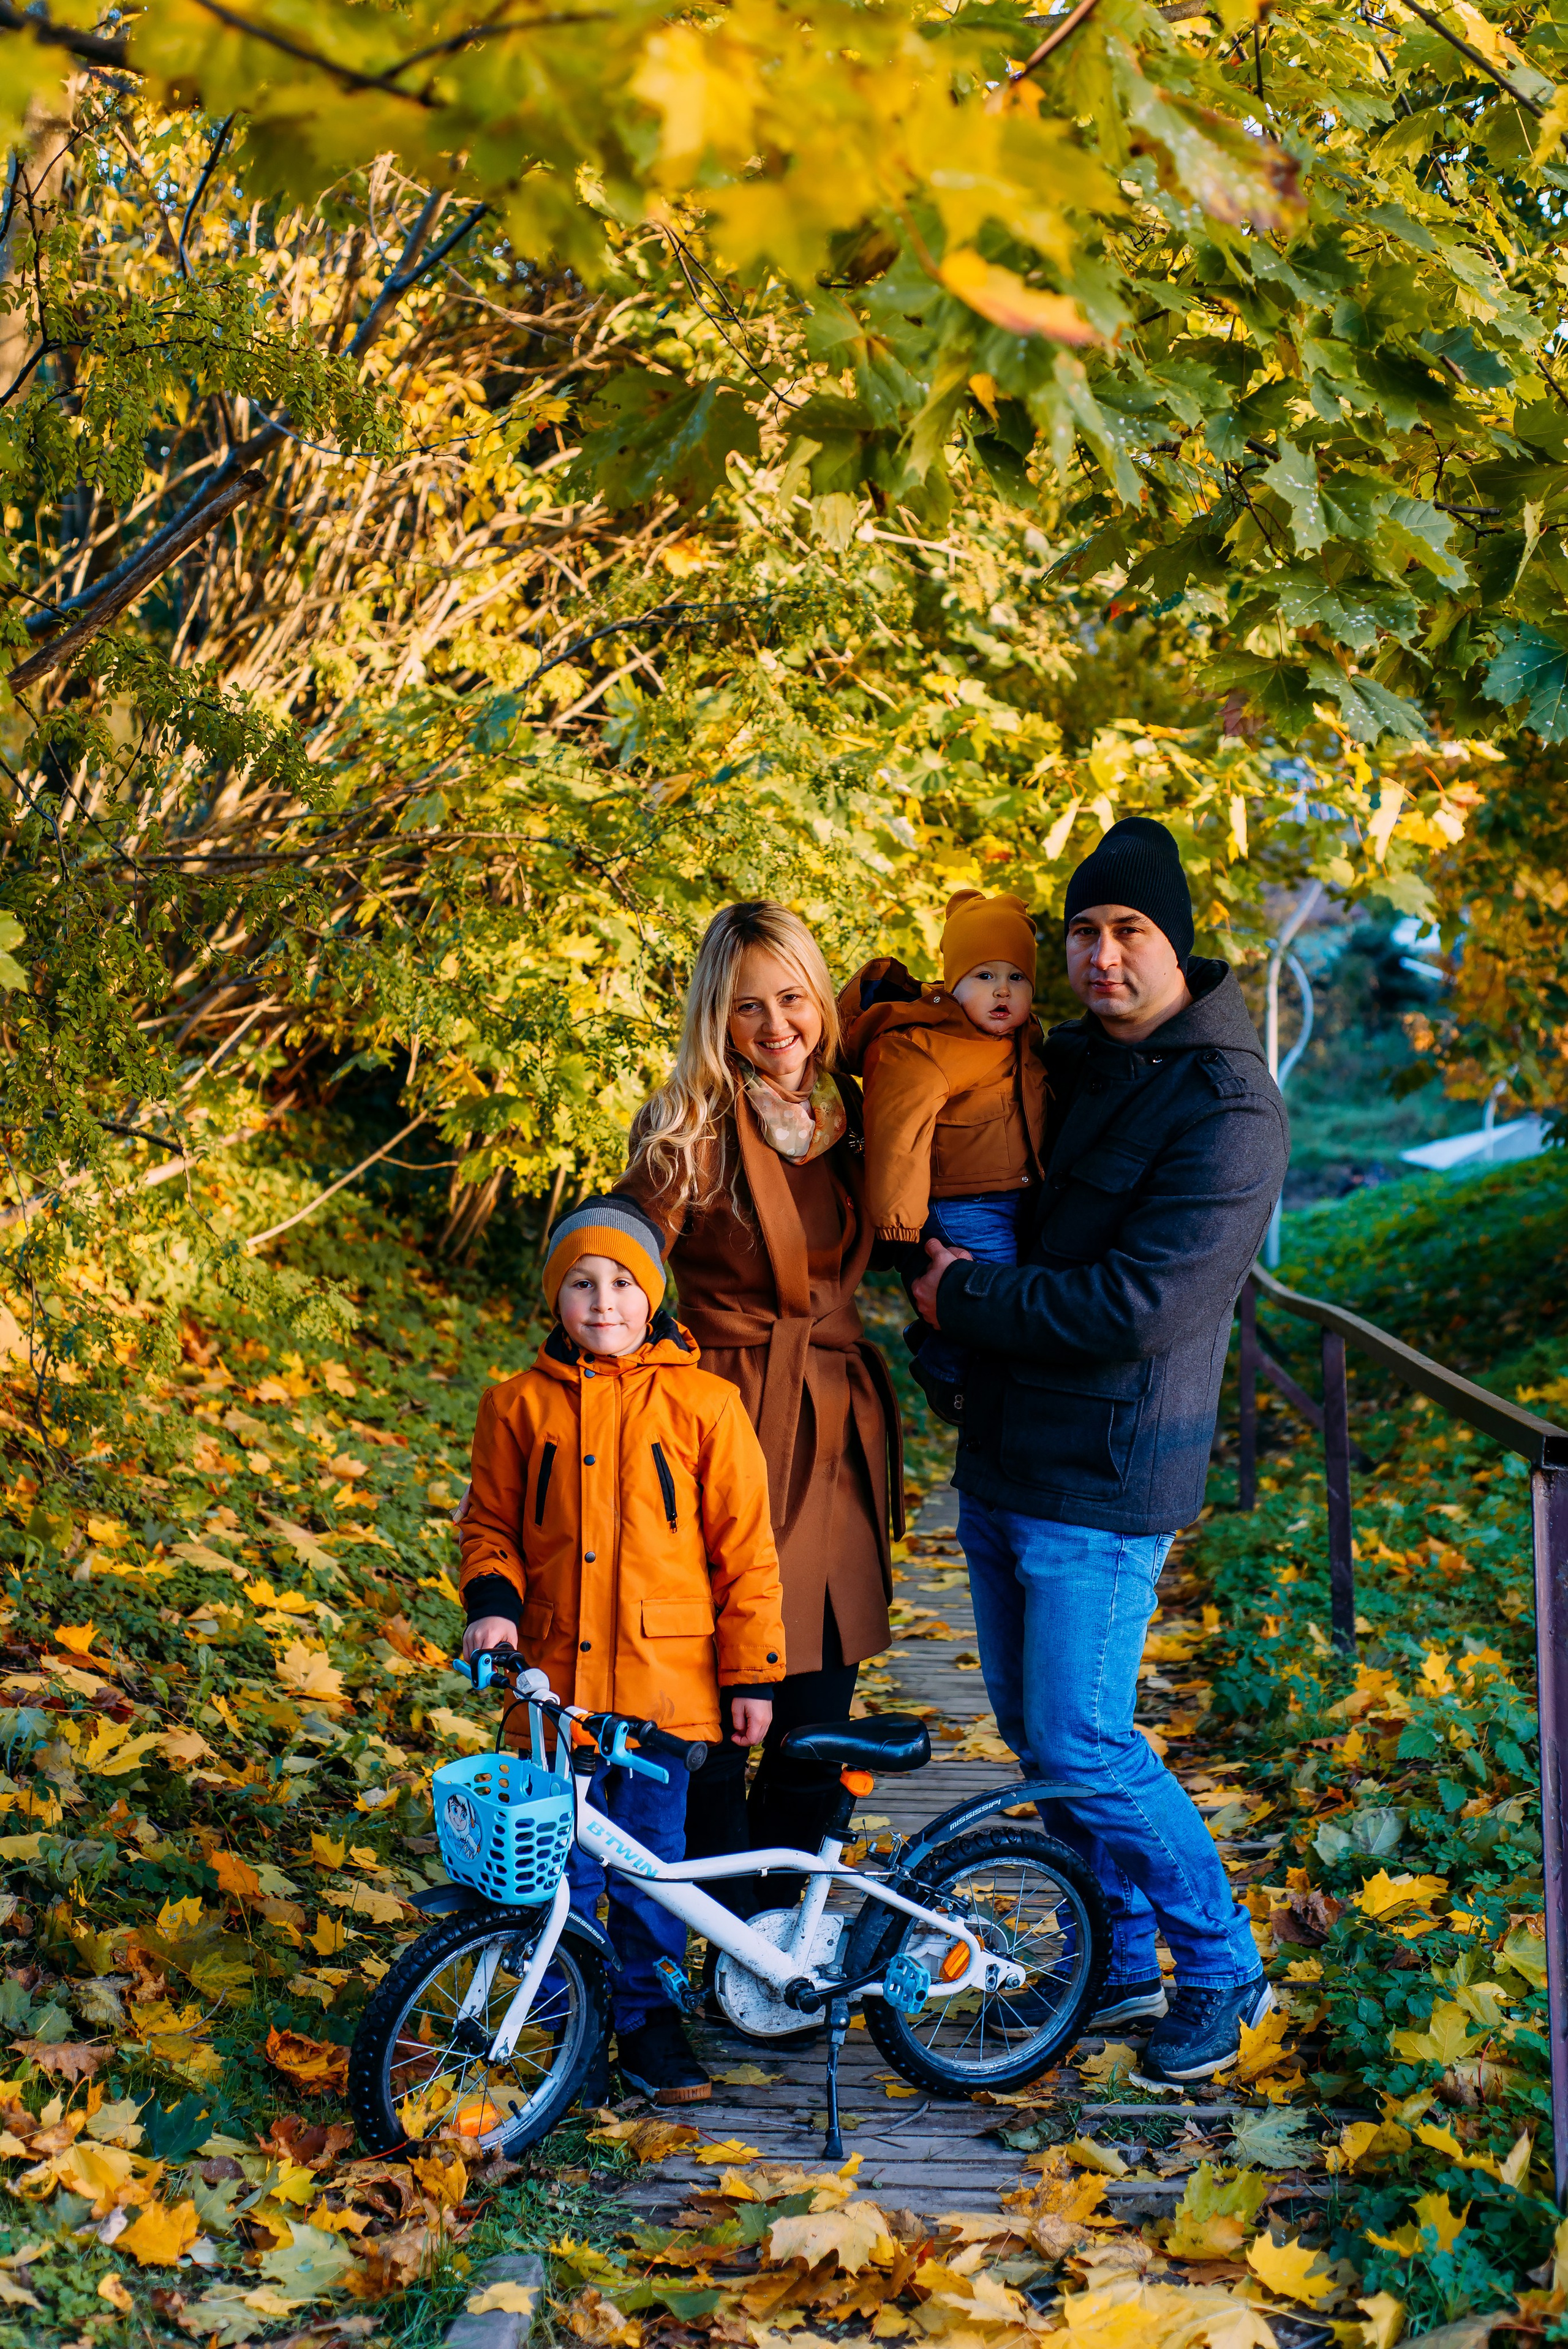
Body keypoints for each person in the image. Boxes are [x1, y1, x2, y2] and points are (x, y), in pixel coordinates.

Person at [911, 816, 1289, 2084]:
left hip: (1107, 1475)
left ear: (1175, 944)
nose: (1103, 955)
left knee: (1084, 1740)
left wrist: (962, 1301)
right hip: (1004, 1452)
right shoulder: (1058, 1062)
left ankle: (1223, 1971)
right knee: (1038, 1737)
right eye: (1083, 931)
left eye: (1129, 930)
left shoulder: (1228, 1105)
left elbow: (1142, 1306)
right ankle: (1117, 1957)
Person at [457, 1194, 785, 2104]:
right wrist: (493, 1606)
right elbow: (490, 1526)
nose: (603, 1301)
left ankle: (649, 2022)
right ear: (554, 1298)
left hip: (662, 1689)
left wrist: (752, 1673)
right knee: (555, 1862)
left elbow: (746, 1551)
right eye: (581, 1283)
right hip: (553, 1689)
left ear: (654, 1295)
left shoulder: (706, 1405)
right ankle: (565, 2016)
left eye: (622, 1283)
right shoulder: (516, 1406)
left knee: (649, 1865)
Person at [617, 902, 901, 1895]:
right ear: (716, 1015)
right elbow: (624, 1251)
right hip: (725, 1424)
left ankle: (780, 1933)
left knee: (819, 1701)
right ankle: (713, 1922)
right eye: (748, 1007)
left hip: (836, 1430)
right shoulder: (688, 1123)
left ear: (819, 998)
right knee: (715, 1706)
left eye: (792, 998)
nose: (776, 1025)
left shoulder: (850, 1115)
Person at [839, 889, 1046, 1423]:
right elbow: (897, 1131)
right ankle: (947, 1371)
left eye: (1017, 977)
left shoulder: (1024, 1040)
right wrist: (899, 1225)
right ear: (953, 984)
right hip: (961, 1202)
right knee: (991, 1286)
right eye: (984, 975)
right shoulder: (932, 1045)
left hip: (1011, 1196)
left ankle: (940, 1343)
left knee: (1008, 1285)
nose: (1002, 990)